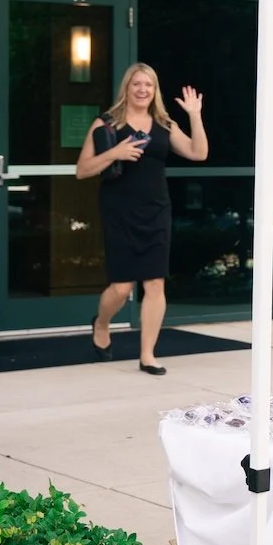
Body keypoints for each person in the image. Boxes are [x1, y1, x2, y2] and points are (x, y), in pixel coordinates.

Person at [77, 64, 207, 375]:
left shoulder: (163, 123)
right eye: (136, 83)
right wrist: (115, 153)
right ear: (127, 87)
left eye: (148, 84)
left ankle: (147, 355)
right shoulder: (107, 123)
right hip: (119, 210)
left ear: (154, 90)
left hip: (156, 210)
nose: (142, 89)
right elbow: (82, 170)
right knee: (121, 288)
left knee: (154, 282)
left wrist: (194, 115)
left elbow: (198, 152)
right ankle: (102, 323)